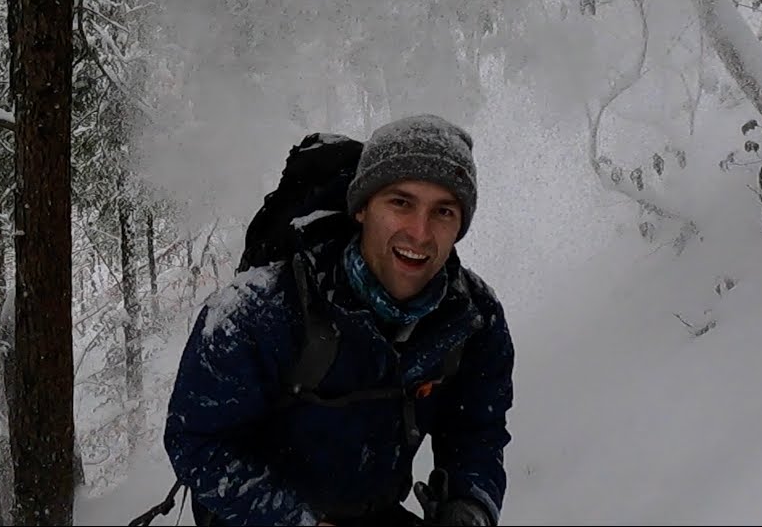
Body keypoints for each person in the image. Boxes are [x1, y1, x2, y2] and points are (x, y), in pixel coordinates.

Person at [163, 114, 515, 527]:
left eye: (443, 211)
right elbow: (197, 440)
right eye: (400, 202)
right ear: (363, 207)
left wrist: (470, 504)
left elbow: (476, 429)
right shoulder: (258, 310)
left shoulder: (472, 319)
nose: (420, 233)